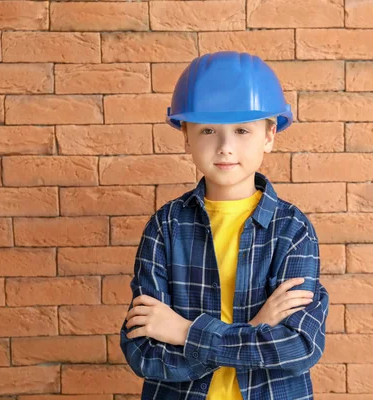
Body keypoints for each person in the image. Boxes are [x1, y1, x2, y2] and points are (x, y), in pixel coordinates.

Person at [119, 50, 330, 400]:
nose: (225, 147)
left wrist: (186, 332)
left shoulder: (292, 231)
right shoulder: (166, 227)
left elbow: (300, 346)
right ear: (186, 135)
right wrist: (253, 329)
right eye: (207, 130)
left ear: (269, 134)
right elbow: (144, 352)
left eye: (242, 130)